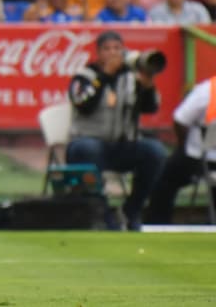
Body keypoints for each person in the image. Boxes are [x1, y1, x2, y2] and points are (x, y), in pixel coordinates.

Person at [67, 30, 167, 231]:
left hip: (122, 145)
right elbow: (82, 103)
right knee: (89, 149)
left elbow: (150, 108)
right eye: (107, 49)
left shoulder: (131, 78)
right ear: (98, 53)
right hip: (88, 142)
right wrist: (105, 76)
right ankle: (102, 212)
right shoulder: (85, 75)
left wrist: (147, 87)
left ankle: (132, 210)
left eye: (117, 48)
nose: (113, 53)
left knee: (155, 152)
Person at [145, 74, 216, 224]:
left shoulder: (207, 90)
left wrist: (182, 146)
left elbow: (181, 119)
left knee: (164, 180)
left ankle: (157, 224)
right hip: (205, 160)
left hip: (199, 158)